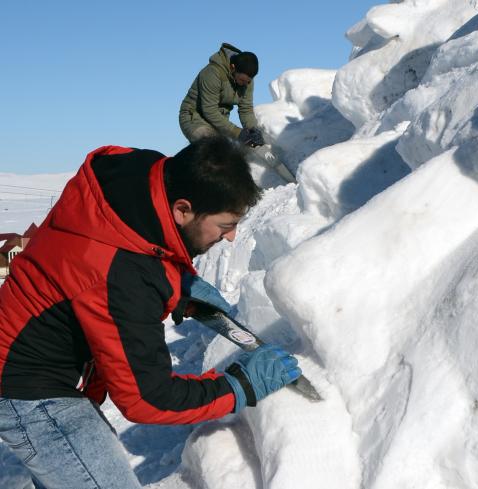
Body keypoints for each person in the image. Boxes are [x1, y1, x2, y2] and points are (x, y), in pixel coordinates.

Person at [0, 137, 301, 489]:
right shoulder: (122, 277)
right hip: (27, 388)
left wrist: (175, 283)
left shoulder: (141, 181)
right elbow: (147, 397)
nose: (232, 237)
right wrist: (239, 386)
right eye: (224, 226)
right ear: (183, 209)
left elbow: (138, 249)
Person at [179, 42, 265, 148]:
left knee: (233, 152)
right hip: (195, 117)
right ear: (233, 68)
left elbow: (245, 109)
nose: (245, 84)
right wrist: (238, 133)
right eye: (242, 80)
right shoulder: (212, 73)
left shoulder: (247, 81)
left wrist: (253, 131)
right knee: (214, 150)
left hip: (219, 122)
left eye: (248, 81)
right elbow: (209, 111)